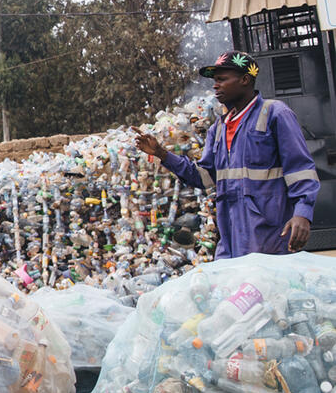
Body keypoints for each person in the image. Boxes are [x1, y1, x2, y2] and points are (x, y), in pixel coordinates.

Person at [134, 50, 319, 259]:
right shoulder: (218, 129)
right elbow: (204, 177)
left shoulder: (274, 114)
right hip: (231, 240)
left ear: (245, 80)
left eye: (222, 79)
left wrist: (302, 213)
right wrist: (161, 153)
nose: (215, 85)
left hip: (269, 237)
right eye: (215, 80)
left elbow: (300, 170)